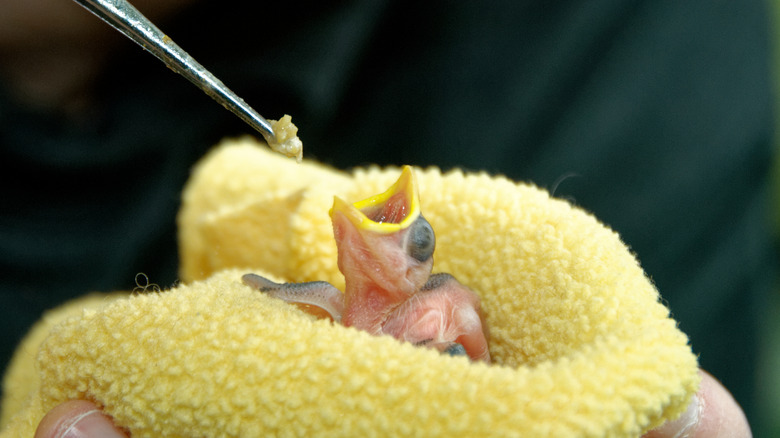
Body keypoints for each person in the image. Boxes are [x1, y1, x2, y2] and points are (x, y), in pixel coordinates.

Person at [2, 0, 773, 436]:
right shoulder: (325, 297)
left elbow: (477, 341)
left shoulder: (628, 43)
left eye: (417, 240)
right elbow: (258, 302)